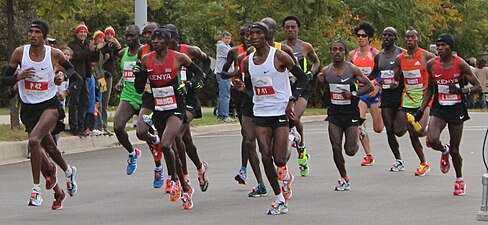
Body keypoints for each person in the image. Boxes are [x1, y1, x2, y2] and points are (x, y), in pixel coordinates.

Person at [2, 20, 80, 209]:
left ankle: (35, 191)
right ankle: (65, 178)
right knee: (49, 153)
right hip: (29, 109)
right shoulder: (20, 53)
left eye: (37, 32)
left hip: (49, 106)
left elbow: (76, 78)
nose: (32, 35)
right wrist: (17, 77)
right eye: (30, 31)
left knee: (34, 142)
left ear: (44, 36)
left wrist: (64, 87)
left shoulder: (55, 55)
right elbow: (4, 81)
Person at [241, 22, 308, 215]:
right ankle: (279, 199)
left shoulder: (279, 56)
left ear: (266, 35)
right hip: (261, 112)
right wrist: (241, 88)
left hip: (280, 111)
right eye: (251, 33)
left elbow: (303, 78)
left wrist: (292, 100)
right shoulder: (247, 61)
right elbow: (250, 88)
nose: (253, 37)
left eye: (258, 33)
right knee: (265, 155)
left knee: (279, 159)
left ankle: (290, 137)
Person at [134, 27, 205, 210]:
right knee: (146, 134)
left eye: (159, 39)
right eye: (153, 39)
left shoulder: (179, 57)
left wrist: (188, 85)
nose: (155, 41)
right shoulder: (145, 59)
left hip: (175, 106)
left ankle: (179, 182)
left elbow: (200, 74)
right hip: (156, 105)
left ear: (167, 41)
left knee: (167, 144)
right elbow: (139, 89)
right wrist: (139, 74)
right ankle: (182, 183)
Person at [418, 33, 482, 195]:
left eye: (443, 45)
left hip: (456, 108)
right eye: (438, 45)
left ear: (451, 47)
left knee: (455, 149)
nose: (439, 48)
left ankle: (459, 179)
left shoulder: (460, 64)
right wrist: (420, 110)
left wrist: (462, 90)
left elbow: (478, 86)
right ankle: (443, 150)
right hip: (440, 106)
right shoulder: (432, 64)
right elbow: (430, 90)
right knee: (432, 139)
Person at [316, 40, 373, 191]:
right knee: (336, 147)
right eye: (334, 49)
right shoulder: (326, 71)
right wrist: (319, 84)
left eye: (340, 49)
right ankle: (344, 177)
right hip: (334, 113)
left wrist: (353, 93)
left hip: (350, 113)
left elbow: (370, 86)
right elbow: (319, 95)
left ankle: (358, 133)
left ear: (344, 52)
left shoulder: (352, 69)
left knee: (350, 150)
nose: (337, 52)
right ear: (330, 52)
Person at [163, 23, 210, 192]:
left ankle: (183, 176)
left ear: (175, 40)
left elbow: (206, 63)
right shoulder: (161, 56)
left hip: (189, 99)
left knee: (176, 135)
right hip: (172, 101)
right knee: (186, 141)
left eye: (167, 41)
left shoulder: (190, 51)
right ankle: (200, 167)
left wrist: (198, 81)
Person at [222, 24, 268, 197]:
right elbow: (222, 73)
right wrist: (236, 75)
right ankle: (257, 180)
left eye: (251, 35)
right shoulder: (239, 55)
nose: (248, 38)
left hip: (265, 102)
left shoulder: (272, 55)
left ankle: (282, 168)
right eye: (245, 35)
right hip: (244, 98)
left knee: (267, 147)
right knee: (248, 139)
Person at [393, 27, 435, 176]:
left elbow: (438, 67)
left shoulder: (426, 56)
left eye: (413, 37)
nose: (410, 39)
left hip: (424, 97)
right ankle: (423, 163)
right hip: (408, 98)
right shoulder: (400, 58)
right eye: (408, 37)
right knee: (410, 133)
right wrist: (394, 82)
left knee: (419, 130)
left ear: (418, 39)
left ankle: (431, 133)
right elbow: (396, 77)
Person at [281, 15, 320, 176]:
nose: (290, 30)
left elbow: (316, 62)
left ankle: (301, 146)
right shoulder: (279, 47)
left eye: (293, 27)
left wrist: (311, 73)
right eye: (287, 27)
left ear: (298, 29)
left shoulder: (305, 46)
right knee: (287, 119)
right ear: (283, 30)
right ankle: (295, 139)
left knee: (295, 118)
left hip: (302, 86)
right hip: (286, 87)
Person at [369, 27, 408, 171]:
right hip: (386, 96)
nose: (386, 37)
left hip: (400, 95)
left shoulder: (402, 53)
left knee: (398, 130)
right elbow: (374, 73)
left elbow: (409, 70)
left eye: (390, 35)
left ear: (395, 38)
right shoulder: (379, 56)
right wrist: (361, 78)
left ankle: (408, 125)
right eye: (384, 34)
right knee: (389, 129)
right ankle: (398, 160)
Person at [132, 22, 165, 187]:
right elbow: (139, 85)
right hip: (149, 96)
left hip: (167, 97)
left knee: (175, 139)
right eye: (144, 33)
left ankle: (177, 177)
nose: (147, 37)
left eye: (150, 33)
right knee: (141, 131)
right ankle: (158, 162)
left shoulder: (168, 51)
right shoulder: (142, 51)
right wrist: (138, 75)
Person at [348, 21, 382, 166]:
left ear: (370, 38)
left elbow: (382, 72)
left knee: (378, 128)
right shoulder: (352, 55)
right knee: (359, 121)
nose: (360, 38)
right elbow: (348, 73)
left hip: (374, 92)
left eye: (363, 36)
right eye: (358, 36)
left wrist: (376, 85)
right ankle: (369, 154)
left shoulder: (375, 54)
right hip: (361, 91)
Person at [68, 22, 100, 137]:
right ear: (77, 33)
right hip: (76, 77)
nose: (83, 34)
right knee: (75, 102)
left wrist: (95, 50)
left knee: (84, 102)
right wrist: (89, 50)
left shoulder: (87, 45)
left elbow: (93, 59)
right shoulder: (72, 45)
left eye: (84, 32)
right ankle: (74, 126)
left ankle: (81, 126)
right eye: (80, 32)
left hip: (85, 77)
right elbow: (78, 56)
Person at [95, 26, 121, 135]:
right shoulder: (101, 46)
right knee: (99, 102)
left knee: (105, 102)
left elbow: (120, 53)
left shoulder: (113, 46)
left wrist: (117, 44)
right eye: (107, 34)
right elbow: (96, 58)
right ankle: (99, 125)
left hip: (109, 74)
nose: (109, 36)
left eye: (111, 34)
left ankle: (105, 126)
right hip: (100, 75)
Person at [215, 31, 235, 123]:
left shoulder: (227, 47)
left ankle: (220, 114)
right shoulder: (222, 46)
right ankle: (224, 115)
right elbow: (233, 55)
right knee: (225, 95)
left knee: (222, 94)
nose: (227, 40)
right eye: (226, 38)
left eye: (229, 38)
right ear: (222, 38)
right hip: (223, 73)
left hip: (224, 72)